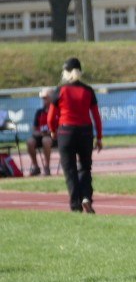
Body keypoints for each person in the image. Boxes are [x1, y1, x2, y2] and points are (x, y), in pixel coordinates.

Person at [48, 57, 102, 213]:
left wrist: (52, 130)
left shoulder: (60, 90)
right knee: (85, 167)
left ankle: (75, 205)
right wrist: (99, 137)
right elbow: (96, 116)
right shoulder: (88, 90)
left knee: (70, 170)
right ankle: (86, 197)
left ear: (65, 73)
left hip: (66, 132)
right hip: (85, 132)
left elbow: (51, 116)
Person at [27, 89, 54, 176]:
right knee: (30, 142)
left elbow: (61, 127)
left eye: (46, 98)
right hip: (40, 135)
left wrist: (50, 132)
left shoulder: (57, 110)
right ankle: (36, 167)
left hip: (54, 137)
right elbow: (34, 128)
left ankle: (47, 167)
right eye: (43, 98)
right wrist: (37, 133)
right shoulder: (39, 112)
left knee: (46, 140)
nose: (44, 100)